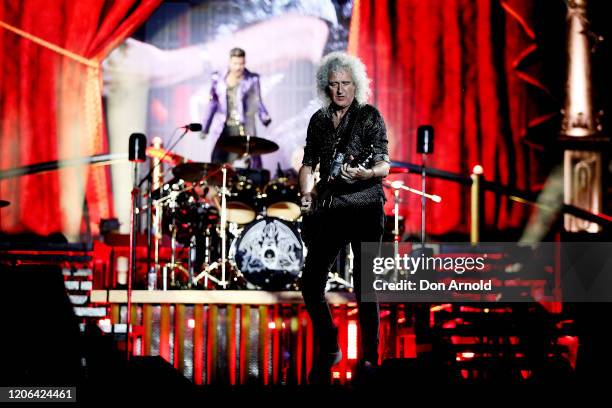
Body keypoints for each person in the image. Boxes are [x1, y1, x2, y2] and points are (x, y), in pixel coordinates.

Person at [299, 51, 390, 384]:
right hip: (333, 208)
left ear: (357, 85)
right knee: (310, 282)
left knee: (366, 287)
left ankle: (369, 359)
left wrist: (366, 173)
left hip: (366, 207)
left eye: (346, 84)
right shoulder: (319, 120)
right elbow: (308, 164)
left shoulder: (369, 116)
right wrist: (307, 194)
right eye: (334, 84)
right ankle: (329, 347)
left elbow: (384, 164)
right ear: (326, 86)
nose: (340, 90)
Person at [202, 47, 272, 169]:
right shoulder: (218, 79)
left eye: (241, 63)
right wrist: (205, 127)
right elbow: (212, 104)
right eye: (235, 63)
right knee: (217, 162)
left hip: (243, 127)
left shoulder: (252, 79)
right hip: (224, 127)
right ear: (230, 62)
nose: (238, 67)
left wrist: (264, 116)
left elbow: (257, 100)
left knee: (249, 163)